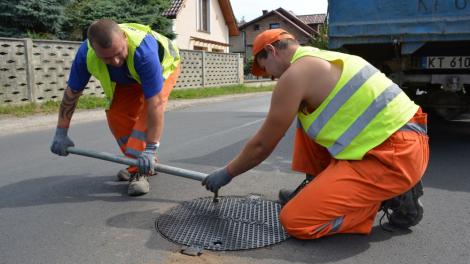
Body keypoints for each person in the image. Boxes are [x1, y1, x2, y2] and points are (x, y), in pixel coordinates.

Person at [202, 29, 429, 239]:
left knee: (295, 221)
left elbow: (262, 146)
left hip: (390, 159)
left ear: (271, 50)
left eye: (264, 68)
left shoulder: (295, 75)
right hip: (409, 143)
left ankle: (382, 198)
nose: (270, 77)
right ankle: (319, 188)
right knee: (305, 114)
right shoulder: (327, 58)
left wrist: (227, 172)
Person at [50, 19, 180, 196]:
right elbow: (72, 94)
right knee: (115, 114)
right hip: (128, 78)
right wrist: (61, 133)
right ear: (95, 51)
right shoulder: (85, 55)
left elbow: (155, 104)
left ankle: (139, 171)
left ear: (125, 38)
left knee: (145, 118)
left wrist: (150, 148)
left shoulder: (144, 51)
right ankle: (139, 162)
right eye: (107, 58)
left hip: (163, 68)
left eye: (119, 53)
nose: (116, 61)